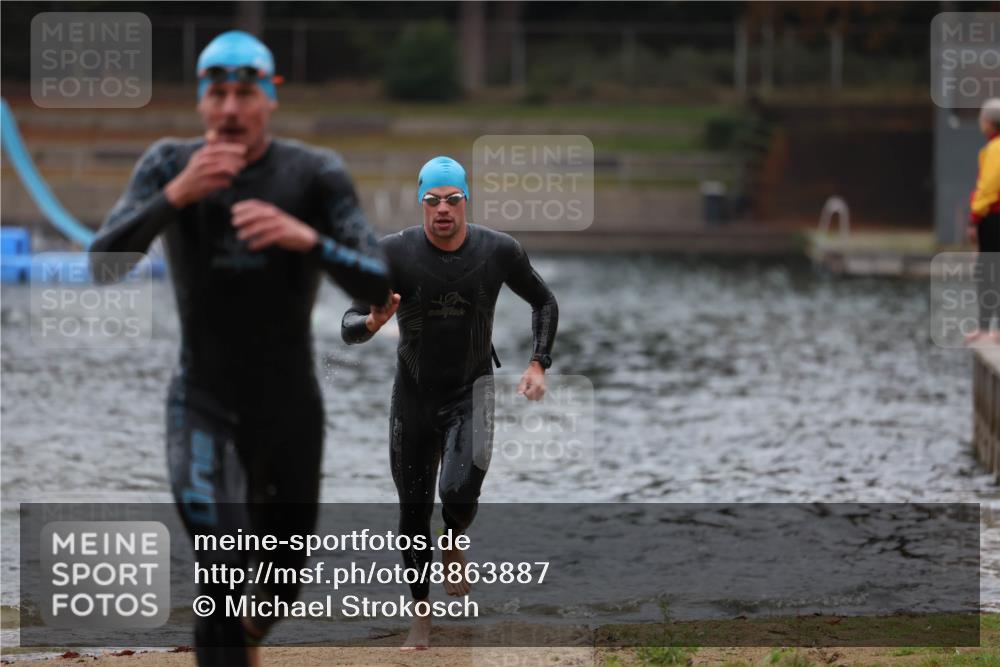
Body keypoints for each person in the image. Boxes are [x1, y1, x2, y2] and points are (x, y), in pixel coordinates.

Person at [89, 31, 390, 667]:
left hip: (288, 410)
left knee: (282, 577)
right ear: (201, 102)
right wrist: (178, 198)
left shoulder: (314, 174)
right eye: (217, 93)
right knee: (222, 566)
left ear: (270, 98)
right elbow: (101, 265)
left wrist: (301, 238)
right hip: (203, 401)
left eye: (244, 93)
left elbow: (378, 284)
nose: (229, 109)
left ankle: (245, 646)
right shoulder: (170, 165)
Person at [341, 156, 559, 650]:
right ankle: (421, 618)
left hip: (471, 393)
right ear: (422, 203)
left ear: (466, 201)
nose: (444, 209)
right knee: (413, 512)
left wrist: (538, 362)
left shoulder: (499, 250)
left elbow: (544, 301)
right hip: (413, 398)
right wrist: (374, 323)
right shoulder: (391, 253)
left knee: (459, 493)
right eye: (433, 200)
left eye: (453, 200)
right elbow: (348, 324)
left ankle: (456, 539)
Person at [968, 98, 1000, 344]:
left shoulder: (995, 149)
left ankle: (988, 329)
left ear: (988, 123)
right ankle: (988, 328)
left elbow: (989, 186)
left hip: (993, 217)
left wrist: (975, 216)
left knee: (988, 272)